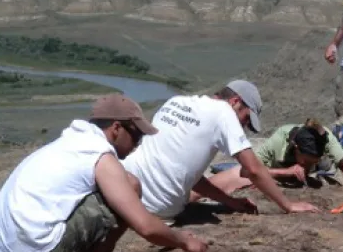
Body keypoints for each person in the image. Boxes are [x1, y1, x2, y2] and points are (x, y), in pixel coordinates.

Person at [0, 94, 208, 252]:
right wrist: (185, 241)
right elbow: (145, 226)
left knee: (103, 193)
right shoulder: (98, 154)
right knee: (130, 186)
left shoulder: (68, 144)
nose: (137, 145)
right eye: (136, 135)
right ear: (117, 128)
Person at [122, 79, 320, 219]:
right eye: (245, 119)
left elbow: (187, 174)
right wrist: (288, 205)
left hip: (123, 189)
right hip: (157, 209)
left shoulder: (175, 102)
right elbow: (253, 170)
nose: (243, 127)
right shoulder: (223, 112)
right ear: (235, 102)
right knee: (237, 171)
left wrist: (229, 201)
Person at [206, 119, 343, 195]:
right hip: (277, 168)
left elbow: (342, 159)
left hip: (319, 168)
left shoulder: (323, 137)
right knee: (239, 177)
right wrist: (285, 172)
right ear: (295, 148)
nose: (306, 165)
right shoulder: (278, 140)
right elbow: (249, 170)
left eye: (312, 161)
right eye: (305, 161)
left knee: (326, 166)